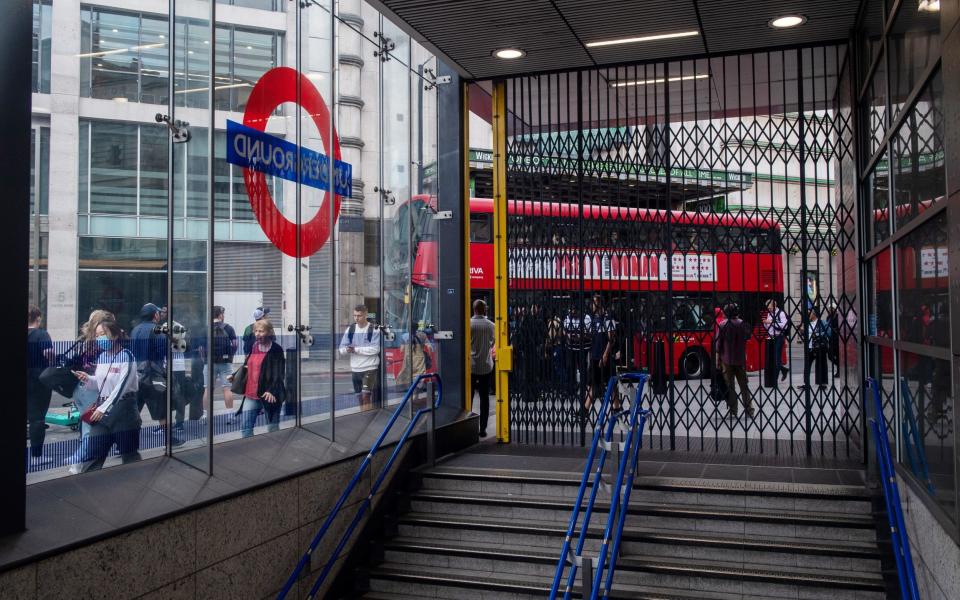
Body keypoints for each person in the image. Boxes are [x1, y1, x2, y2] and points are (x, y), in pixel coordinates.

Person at [71, 319, 141, 472]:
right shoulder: (102, 357)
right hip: (102, 410)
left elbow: (122, 387)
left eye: (103, 334)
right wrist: (88, 379)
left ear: (115, 335)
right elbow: (101, 383)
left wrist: (104, 408)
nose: (99, 338)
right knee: (93, 455)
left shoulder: (127, 356)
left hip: (123, 410)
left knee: (129, 456)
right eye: (97, 335)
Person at [130, 303, 177, 445]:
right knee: (162, 410)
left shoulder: (135, 330)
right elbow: (165, 351)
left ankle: (127, 443)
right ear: (155, 315)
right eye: (158, 313)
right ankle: (169, 440)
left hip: (136, 375)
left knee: (134, 411)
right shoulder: (158, 330)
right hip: (153, 375)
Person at [232, 319, 286, 438]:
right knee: (246, 428)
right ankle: (248, 450)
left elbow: (279, 373)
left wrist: (271, 390)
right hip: (251, 393)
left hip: (269, 394)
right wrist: (235, 375)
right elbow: (247, 364)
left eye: (261, 331)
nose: (257, 334)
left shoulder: (276, 349)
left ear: (269, 333)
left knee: (272, 428)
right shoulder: (254, 346)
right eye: (256, 331)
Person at [713, 303, 755, 419]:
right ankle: (749, 410)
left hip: (726, 360)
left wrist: (717, 361)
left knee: (730, 386)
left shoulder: (722, 325)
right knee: (744, 386)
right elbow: (748, 336)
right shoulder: (742, 324)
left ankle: (733, 410)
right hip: (740, 359)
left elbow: (718, 345)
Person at [338, 304, 382, 411]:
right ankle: (365, 416)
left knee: (366, 396)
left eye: (359, 316)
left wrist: (356, 349)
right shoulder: (351, 329)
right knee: (360, 398)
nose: (356, 318)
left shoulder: (374, 329)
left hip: (370, 368)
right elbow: (341, 349)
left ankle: (367, 420)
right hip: (355, 369)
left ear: (366, 314)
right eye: (355, 316)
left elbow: (376, 349)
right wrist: (347, 350)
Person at [201, 305, 239, 422]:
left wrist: (205, 360)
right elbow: (235, 344)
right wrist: (230, 357)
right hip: (225, 363)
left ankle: (206, 416)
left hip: (209, 363)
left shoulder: (205, 328)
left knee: (208, 389)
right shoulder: (229, 328)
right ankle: (230, 416)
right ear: (220, 315)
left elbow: (201, 348)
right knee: (227, 389)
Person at [26, 306, 54, 466]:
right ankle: (37, 456)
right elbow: (49, 354)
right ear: (38, 318)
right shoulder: (41, 334)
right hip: (38, 382)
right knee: (37, 419)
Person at [585, 294, 615, 412]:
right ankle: (586, 409)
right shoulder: (594, 319)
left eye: (593, 303)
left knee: (608, 384)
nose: (591, 306)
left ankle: (585, 410)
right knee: (595, 383)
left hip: (603, 357)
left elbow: (611, 339)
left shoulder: (607, 318)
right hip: (595, 355)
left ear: (598, 303)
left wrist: (605, 355)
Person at [470, 299, 495, 437]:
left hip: (471, 366)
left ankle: (467, 425)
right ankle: (483, 428)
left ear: (474, 309)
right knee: (484, 398)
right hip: (486, 366)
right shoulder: (491, 325)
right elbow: (494, 343)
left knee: (469, 396)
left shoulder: (468, 324)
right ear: (484, 310)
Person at [799, 308, 830, 389]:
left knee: (821, 364)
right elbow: (803, 335)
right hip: (809, 347)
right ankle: (806, 384)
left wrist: (817, 334)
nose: (807, 315)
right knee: (807, 365)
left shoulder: (822, 322)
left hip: (819, 346)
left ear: (814, 314)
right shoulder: (806, 323)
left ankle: (822, 383)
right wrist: (801, 331)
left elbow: (829, 332)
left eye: (809, 313)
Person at [762, 299, 790, 382]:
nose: (768, 309)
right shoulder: (769, 314)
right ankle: (784, 370)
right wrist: (765, 323)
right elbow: (768, 328)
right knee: (773, 358)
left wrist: (771, 322)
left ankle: (775, 379)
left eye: (769, 307)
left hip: (779, 337)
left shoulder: (781, 313)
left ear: (774, 306)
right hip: (771, 337)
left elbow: (784, 326)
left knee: (777, 358)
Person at [826, 302, 840, 378]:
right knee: (830, 356)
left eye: (831, 309)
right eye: (829, 309)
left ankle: (839, 371)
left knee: (837, 355)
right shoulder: (828, 317)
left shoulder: (838, 317)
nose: (829, 310)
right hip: (830, 338)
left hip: (837, 338)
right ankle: (839, 366)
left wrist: (834, 329)